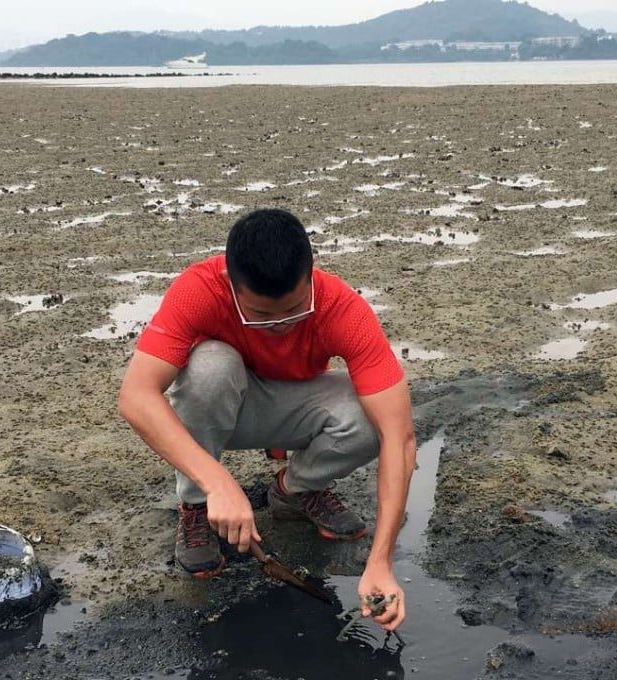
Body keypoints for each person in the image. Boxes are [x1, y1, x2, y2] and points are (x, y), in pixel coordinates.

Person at [118, 208, 416, 632]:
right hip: (220, 408)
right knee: (209, 366)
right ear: (231, 285)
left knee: (374, 416)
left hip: (292, 404)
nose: (279, 324)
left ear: (311, 278)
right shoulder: (199, 290)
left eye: (294, 310)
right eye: (260, 315)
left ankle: (295, 490)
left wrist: (381, 560)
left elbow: (400, 439)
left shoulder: (342, 307)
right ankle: (195, 505)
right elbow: (135, 396)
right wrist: (218, 482)